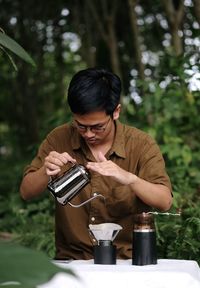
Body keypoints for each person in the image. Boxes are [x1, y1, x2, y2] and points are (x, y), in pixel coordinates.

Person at [20, 67, 172, 260]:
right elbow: (26, 192)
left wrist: (129, 179)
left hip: (125, 263)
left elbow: (164, 201)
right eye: (81, 126)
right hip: (72, 261)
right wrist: (45, 171)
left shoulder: (141, 145)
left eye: (97, 127)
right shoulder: (59, 138)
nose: (88, 134)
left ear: (116, 111)